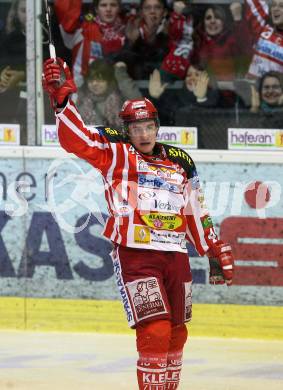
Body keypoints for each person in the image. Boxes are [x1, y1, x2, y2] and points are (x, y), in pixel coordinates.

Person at [42, 57, 234, 390]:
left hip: (175, 255)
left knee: (177, 333)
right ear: (127, 129)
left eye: (148, 127)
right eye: (135, 128)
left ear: (157, 127)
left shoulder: (181, 161)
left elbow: (195, 210)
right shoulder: (116, 152)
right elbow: (76, 140)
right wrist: (62, 103)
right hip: (136, 254)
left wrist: (212, 245)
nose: (142, 134)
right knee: (155, 331)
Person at [54, 0, 126, 87]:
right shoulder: (83, 30)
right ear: (96, 9)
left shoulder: (127, 31)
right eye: (103, 5)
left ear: (119, 8)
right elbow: (67, 13)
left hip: (115, 92)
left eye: (113, 5)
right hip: (82, 90)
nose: (108, 9)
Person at [76, 59, 141, 128]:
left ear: (108, 81)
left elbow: (138, 102)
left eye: (100, 80)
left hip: (119, 137)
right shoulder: (81, 98)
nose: (94, 83)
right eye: (91, 80)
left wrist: (120, 73)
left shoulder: (120, 97)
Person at [148, 64, 219, 125]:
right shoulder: (176, 98)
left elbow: (212, 122)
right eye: (189, 75)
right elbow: (162, 118)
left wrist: (201, 99)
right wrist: (154, 98)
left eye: (197, 75)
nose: (192, 78)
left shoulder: (216, 99)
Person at [242, 0, 283, 79]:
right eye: (274, 5)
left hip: (275, 90)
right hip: (252, 88)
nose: (275, 9)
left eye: (281, 6)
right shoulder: (263, 27)